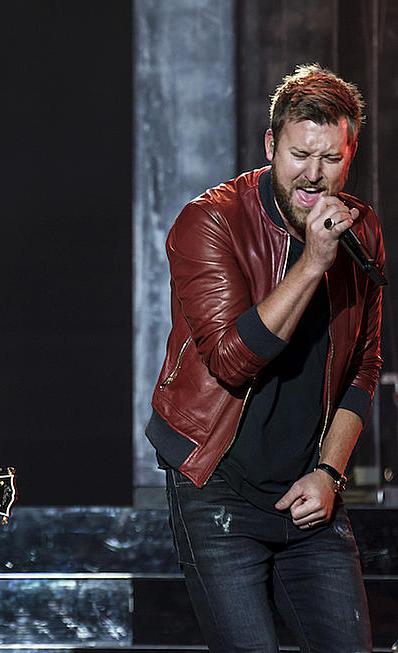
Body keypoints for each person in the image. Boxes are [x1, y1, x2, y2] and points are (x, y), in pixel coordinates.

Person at [146, 64, 380, 651]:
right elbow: (230, 360)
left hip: (308, 485)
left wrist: (329, 474)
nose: (315, 175)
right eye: (301, 154)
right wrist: (312, 264)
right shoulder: (212, 221)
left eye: (332, 158)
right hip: (217, 482)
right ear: (272, 146)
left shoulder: (362, 231)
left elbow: (363, 368)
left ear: (351, 155)